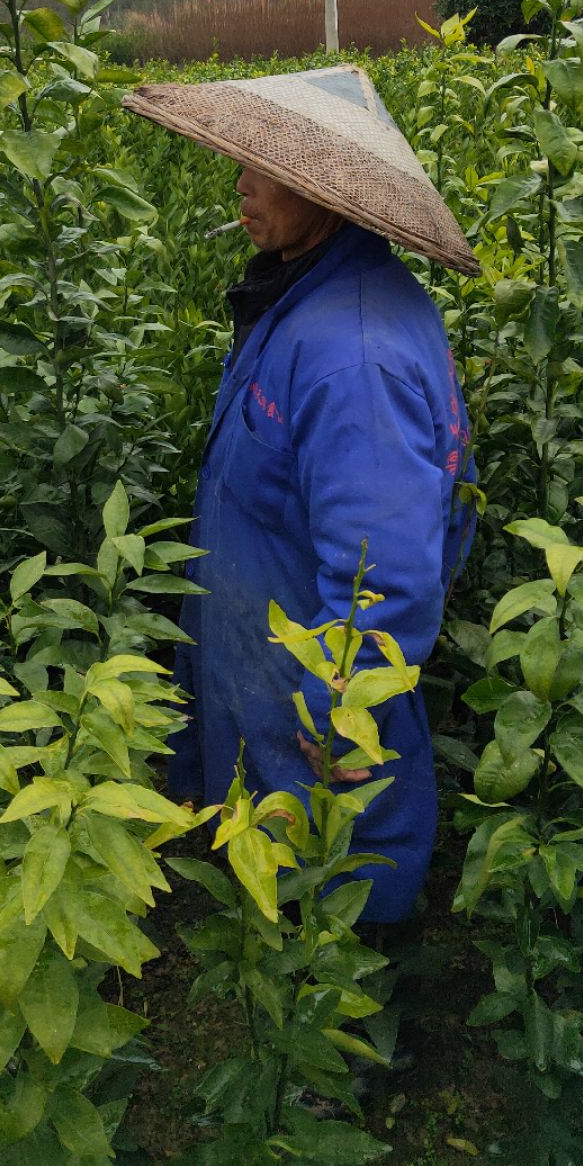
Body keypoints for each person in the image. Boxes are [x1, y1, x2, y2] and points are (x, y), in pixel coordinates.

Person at [123, 64, 478, 923]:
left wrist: (335, 717)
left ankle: (348, 1035)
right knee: (276, 865)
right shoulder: (307, 299)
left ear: (325, 191)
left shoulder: (352, 353)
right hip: (269, 661)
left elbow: (381, 579)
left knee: (336, 888)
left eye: (265, 168)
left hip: (315, 698)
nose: (241, 182)